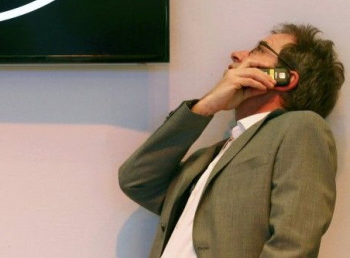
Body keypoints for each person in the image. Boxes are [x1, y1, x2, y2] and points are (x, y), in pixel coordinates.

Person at [119, 23, 345, 257]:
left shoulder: (302, 127)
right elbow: (137, 180)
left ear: (284, 78)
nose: (237, 55)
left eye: (259, 50)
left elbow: (293, 246)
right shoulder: (205, 158)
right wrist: (205, 107)